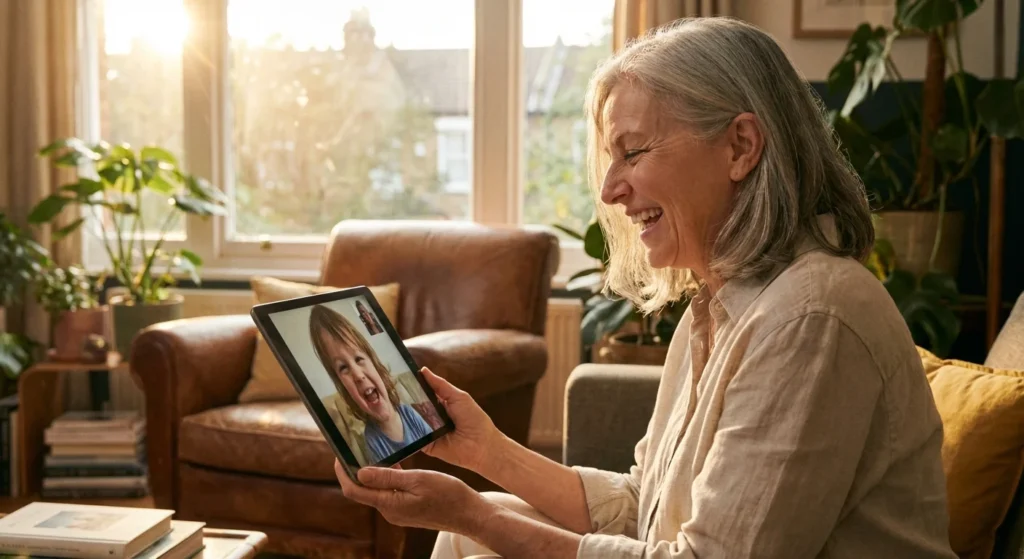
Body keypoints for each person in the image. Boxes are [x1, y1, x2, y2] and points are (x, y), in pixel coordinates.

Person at [334, 17, 958, 559]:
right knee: (476, 533)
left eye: (633, 152)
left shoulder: (812, 318)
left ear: (740, 146)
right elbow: (644, 505)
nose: (609, 190)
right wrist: (487, 454)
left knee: (478, 526)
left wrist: (472, 512)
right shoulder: (719, 304)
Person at [309, 304, 433, 464]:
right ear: (346, 392)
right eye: (343, 367)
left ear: (376, 366)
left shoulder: (407, 413)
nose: (358, 376)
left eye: (359, 359)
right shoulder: (372, 439)